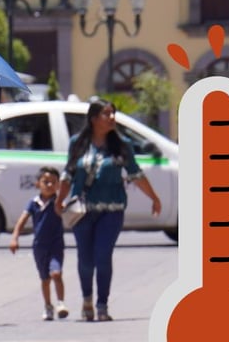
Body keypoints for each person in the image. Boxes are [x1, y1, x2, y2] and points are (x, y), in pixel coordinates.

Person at [57, 100, 161, 322]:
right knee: (85, 259)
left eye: (113, 113)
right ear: (94, 119)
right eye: (106, 114)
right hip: (82, 210)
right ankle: (87, 301)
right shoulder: (78, 143)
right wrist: (60, 199)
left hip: (112, 210)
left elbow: (136, 174)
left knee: (103, 256)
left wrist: (153, 197)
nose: (112, 117)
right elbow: (68, 174)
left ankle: (102, 304)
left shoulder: (122, 146)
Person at [9, 166, 69, 321]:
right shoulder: (33, 203)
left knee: (56, 273)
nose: (49, 185)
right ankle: (48, 305)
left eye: (53, 182)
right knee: (45, 279)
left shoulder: (58, 202)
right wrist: (15, 237)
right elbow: (22, 221)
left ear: (57, 185)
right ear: (37, 184)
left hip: (56, 244)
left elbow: (66, 213)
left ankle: (61, 303)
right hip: (39, 246)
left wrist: (62, 206)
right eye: (45, 181)